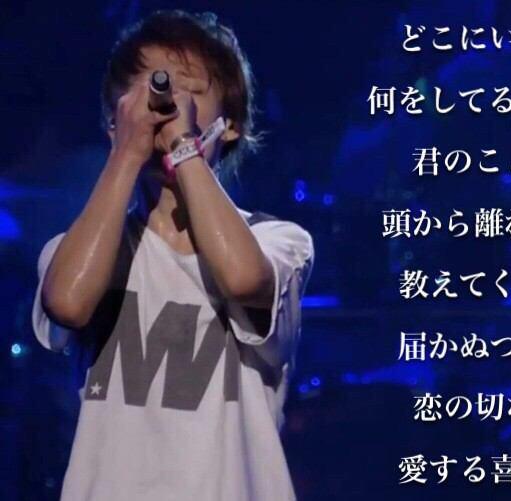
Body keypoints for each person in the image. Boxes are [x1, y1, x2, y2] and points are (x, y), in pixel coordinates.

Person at [31, 9, 314, 501]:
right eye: (149, 91)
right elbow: (68, 302)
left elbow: (244, 279)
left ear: (229, 125)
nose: (164, 108)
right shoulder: (83, 249)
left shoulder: (277, 241)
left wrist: (184, 148)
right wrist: (127, 152)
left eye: (189, 90)